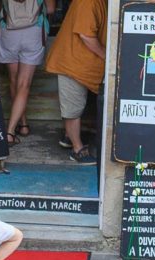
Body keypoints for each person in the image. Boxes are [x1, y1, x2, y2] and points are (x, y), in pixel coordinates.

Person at [44, 0, 106, 164]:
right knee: (73, 108)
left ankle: (69, 136)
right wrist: (107, 56)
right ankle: (77, 150)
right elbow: (86, 35)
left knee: (75, 105)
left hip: (80, 64)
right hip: (71, 63)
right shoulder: (89, 2)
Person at [0, 0, 56, 144]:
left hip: (9, 30)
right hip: (33, 32)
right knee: (24, 84)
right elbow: (51, 9)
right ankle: (10, 132)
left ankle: (23, 124)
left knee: (14, 80)